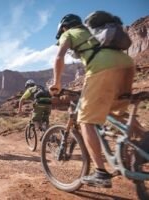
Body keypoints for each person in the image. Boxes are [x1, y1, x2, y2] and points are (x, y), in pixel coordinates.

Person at [49, 13, 135, 188]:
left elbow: (59, 57)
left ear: (64, 27)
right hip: (127, 64)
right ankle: (143, 143)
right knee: (118, 113)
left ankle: (101, 173)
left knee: (85, 121)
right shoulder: (93, 33)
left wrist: (56, 83)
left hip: (102, 68)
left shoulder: (69, 32)